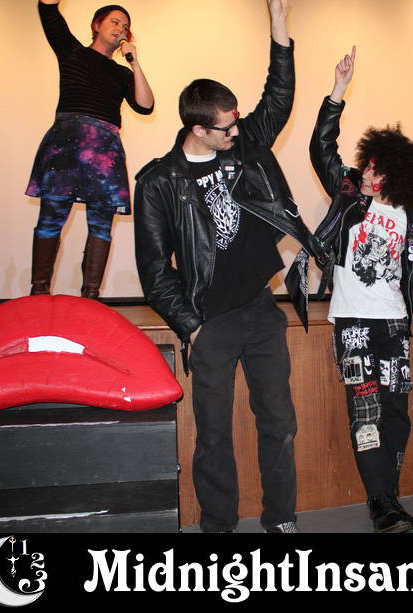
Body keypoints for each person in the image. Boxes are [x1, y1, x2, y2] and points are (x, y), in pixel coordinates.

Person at [134, 0, 325, 534]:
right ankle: (218, 525)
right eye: (224, 128)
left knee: (279, 423)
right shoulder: (159, 182)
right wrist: (191, 327)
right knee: (214, 433)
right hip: (209, 319)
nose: (235, 133)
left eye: (236, 123)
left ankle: (281, 519)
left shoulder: (245, 147)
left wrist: (279, 28)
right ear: (198, 129)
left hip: (261, 310)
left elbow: (278, 98)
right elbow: (154, 269)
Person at [309, 46, 413, 532]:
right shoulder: (348, 195)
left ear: (398, 175)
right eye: (368, 166)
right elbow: (322, 148)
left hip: (394, 324)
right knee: (365, 410)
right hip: (354, 321)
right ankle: (381, 502)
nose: (369, 175)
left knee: (396, 413)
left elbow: (412, 271)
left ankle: (389, 495)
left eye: (380, 171)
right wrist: (337, 92)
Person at [26, 0, 154, 298]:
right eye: (115, 21)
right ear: (97, 25)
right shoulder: (72, 53)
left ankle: (91, 296)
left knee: (101, 225)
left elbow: (146, 105)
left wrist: (134, 63)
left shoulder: (123, 73)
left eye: (125, 26)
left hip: (104, 154)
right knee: (50, 219)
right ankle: (39, 292)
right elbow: (48, 13)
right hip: (65, 148)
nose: (121, 28)